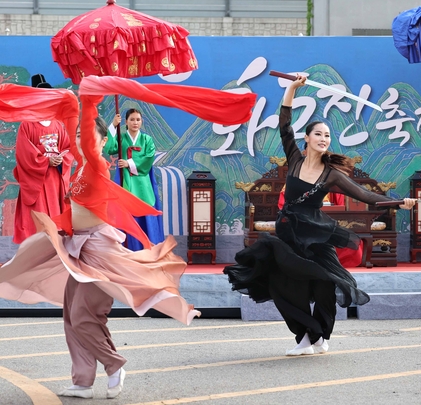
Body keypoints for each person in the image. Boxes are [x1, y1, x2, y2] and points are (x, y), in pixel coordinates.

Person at [0, 76, 256, 399]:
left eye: (86, 133)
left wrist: (89, 99)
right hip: (76, 248)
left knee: (83, 316)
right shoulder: (77, 166)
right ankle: (82, 379)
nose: (78, 137)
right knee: (73, 314)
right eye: (76, 134)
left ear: (101, 139)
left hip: (97, 250)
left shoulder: (95, 165)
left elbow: (89, 127)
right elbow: (71, 127)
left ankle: (114, 363)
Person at [224, 75, 415, 356]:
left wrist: (400, 202)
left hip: (317, 233)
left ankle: (322, 336)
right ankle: (304, 337)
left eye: (327, 135)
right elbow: (284, 124)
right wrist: (292, 88)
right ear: (307, 138)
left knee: (327, 281)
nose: (324, 139)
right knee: (284, 284)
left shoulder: (332, 174)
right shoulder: (295, 159)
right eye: (319, 134)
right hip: (289, 232)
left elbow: (366, 196)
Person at [12, 74, 73, 244]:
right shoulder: (27, 124)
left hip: (54, 179)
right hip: (38, 180)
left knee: (55, 216)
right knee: (39, 219)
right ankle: (37, 247)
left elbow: (67, 148)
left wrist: (61, 158)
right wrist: (46, 161)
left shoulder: (57, 125)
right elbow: (24, 154)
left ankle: (56, 247)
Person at [105, 109, 164, 250]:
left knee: (145, 212)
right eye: (132, 119)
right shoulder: (122, 138)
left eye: (138, 119)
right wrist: (113, 126)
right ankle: (128, 248)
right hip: (126, 182)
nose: (135, 122)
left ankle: (149, 248)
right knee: (127, 213)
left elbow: (148, 159)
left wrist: (129, 163)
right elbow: (109, 148)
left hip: (142, 183)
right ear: (126, 122)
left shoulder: (147, 139)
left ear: (141, 121)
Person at [278, 187, 364, 268]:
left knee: (348, 241)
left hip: (322, 217)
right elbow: (285, 206)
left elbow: (339, 204)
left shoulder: (325, 181)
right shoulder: (294, 181)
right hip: (301, 219)